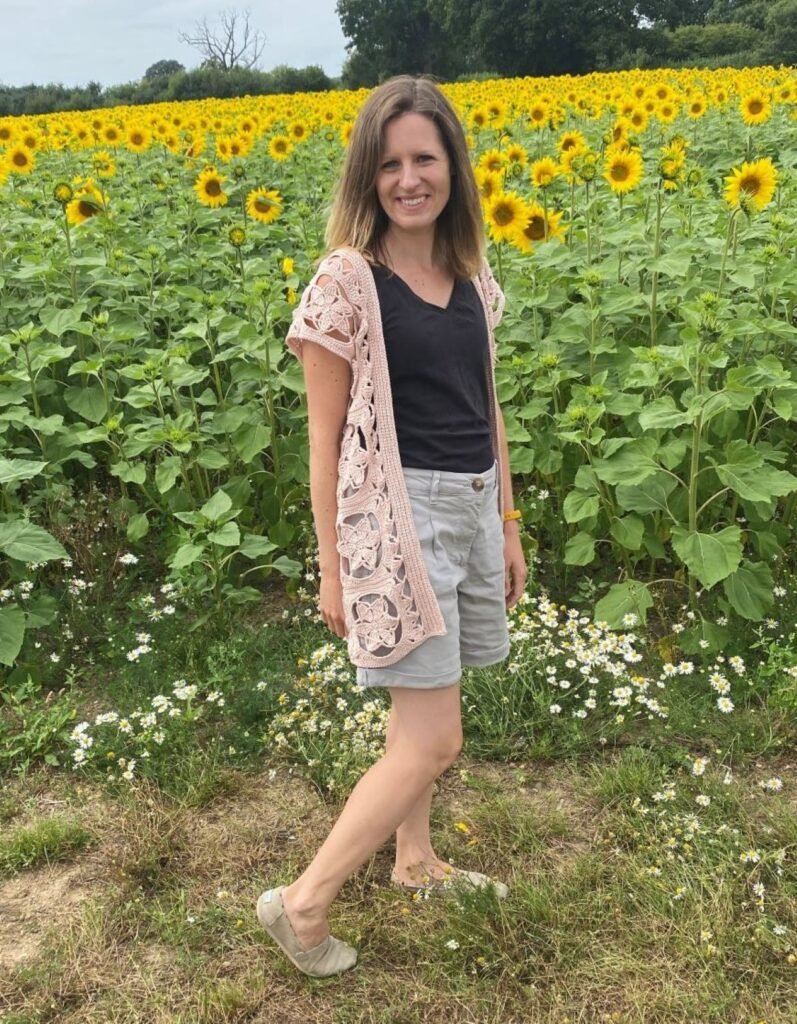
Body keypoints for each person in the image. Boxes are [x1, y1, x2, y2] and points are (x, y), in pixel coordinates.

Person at [256, 75, 527, 978]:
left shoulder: (473, 277)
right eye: (390, 163)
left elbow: (487, 408)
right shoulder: (346, 282)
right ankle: (302, 905)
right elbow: (326, 444)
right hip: (394, 521)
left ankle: (414, 860)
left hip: (471, 507)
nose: (410, 178)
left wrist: (508, 522)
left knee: (423, 709)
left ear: (453, 164)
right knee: (435, 736)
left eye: (426, 157)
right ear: (366, 177)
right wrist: (334, 569)